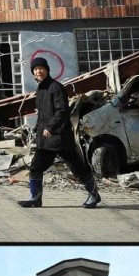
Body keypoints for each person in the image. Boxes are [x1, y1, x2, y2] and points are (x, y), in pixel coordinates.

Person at [18, 57, 101, 209]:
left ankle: (94, 195)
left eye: (41, 68)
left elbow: (62, 111)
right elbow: (43, 114)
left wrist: (50, 128)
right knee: (36, 167)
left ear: (47, 70)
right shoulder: (40, 89)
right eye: (35, 69)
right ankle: (35, 198)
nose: (38, 71)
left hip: (61, 138)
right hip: (45, 140)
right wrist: (35, 129)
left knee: (77, 168)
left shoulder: (56, 88)